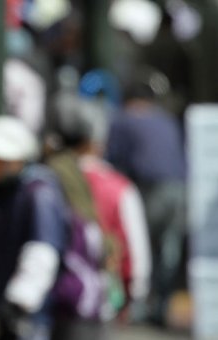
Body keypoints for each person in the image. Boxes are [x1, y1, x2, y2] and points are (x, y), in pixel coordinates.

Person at [0, 116, 68, 340]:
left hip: (25, 318)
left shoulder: (39, 194)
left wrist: (19, 302)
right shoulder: (2, 193)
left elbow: (42, 252)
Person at [54, 95, 152, 321]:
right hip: (101, 297)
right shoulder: (121, 188)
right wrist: (134, 292)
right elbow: (136, 251)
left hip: (58, 295)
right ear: (97, 142)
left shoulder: (48, 177)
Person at [105, 71, 186, 326]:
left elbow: (112, 162)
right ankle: (161, 308)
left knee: (140, 247)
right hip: (181, 190)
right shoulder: (168, 120)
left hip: (149, 190)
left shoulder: (123, 120)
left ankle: (137, 307)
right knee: (169, 251)